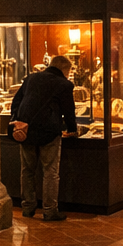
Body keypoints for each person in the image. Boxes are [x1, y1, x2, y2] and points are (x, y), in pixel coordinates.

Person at [10, 54, 78, 222]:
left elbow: (16, 101)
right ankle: (49, 210)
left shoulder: (31, 78)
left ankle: (27, 207)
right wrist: (72, 129)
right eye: (69, 71)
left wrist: (17, 120)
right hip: (49, 133)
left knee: (27, 170)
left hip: (26, 131)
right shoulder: (64, 84)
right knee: (50, 172)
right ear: (64, 69)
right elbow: (69, 112)